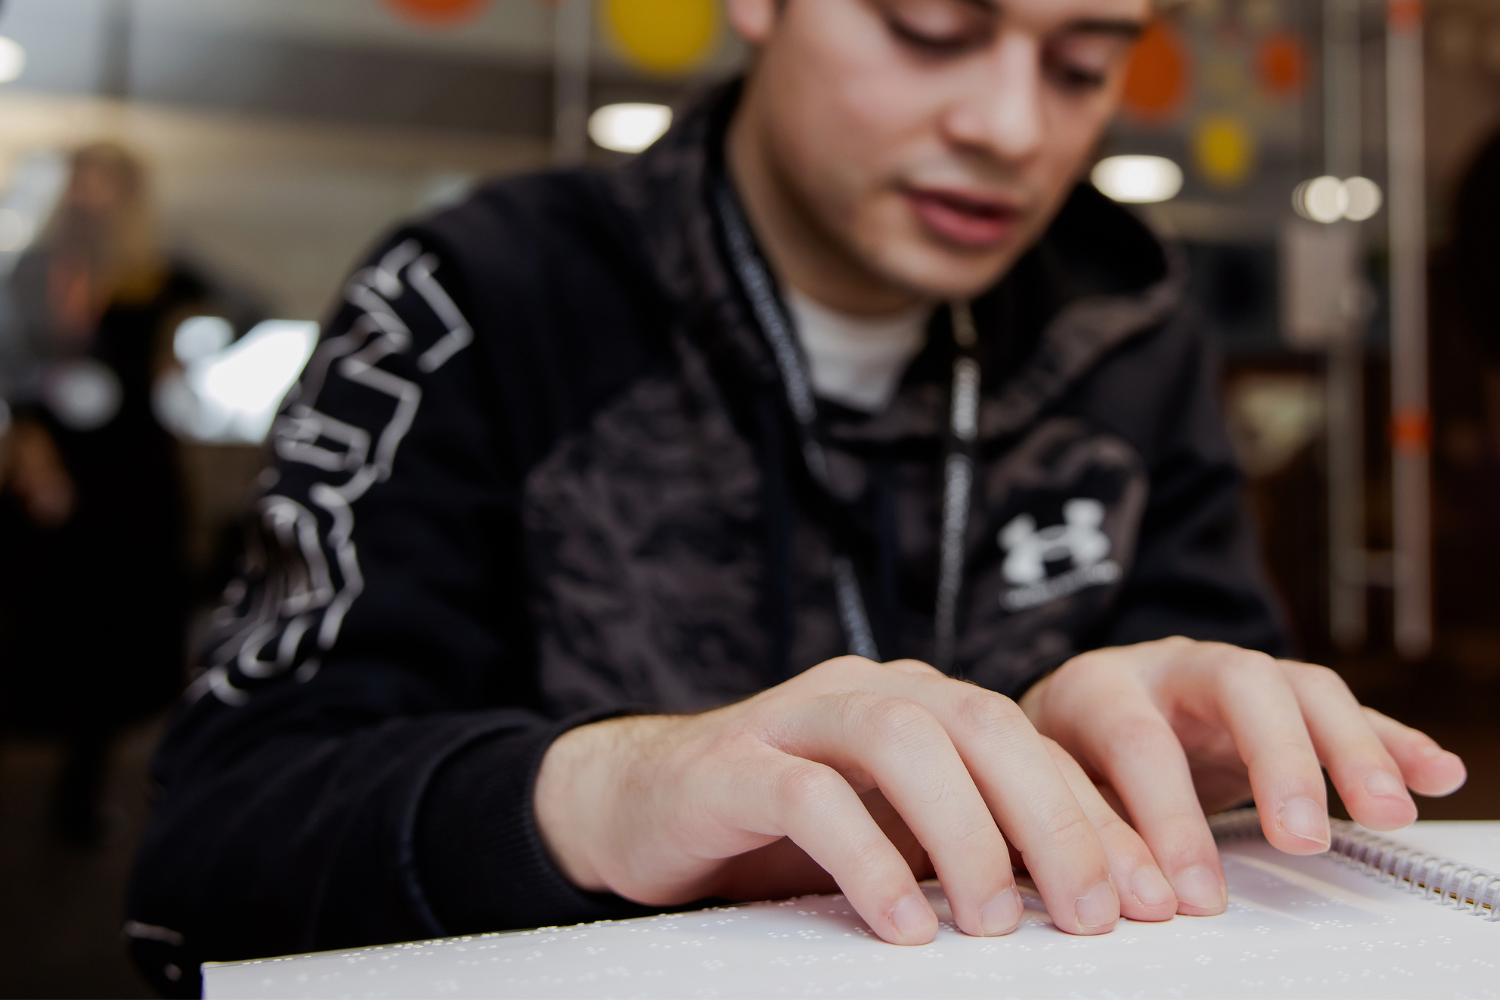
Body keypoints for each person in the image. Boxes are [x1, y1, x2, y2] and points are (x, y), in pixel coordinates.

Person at [127, 0, 1466, 993]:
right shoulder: (481, 302)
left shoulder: (1131, 328)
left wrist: (1148, 746)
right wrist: (600, 793)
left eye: (1083, 61)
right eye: (933, 27)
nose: (1011, 127)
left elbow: (1216, 768)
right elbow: (208, 853)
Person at [0, 143, 200, 844]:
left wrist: (184, 346)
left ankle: (79, 797)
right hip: (53, 461)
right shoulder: (35, 268)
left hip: (129, 476)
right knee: (32, 617)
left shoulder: (155, 274)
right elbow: (12, 363)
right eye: (81, 179)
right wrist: (28, 443)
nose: (88, 194)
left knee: (115, 634)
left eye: (103, 182)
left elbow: (246, 305)